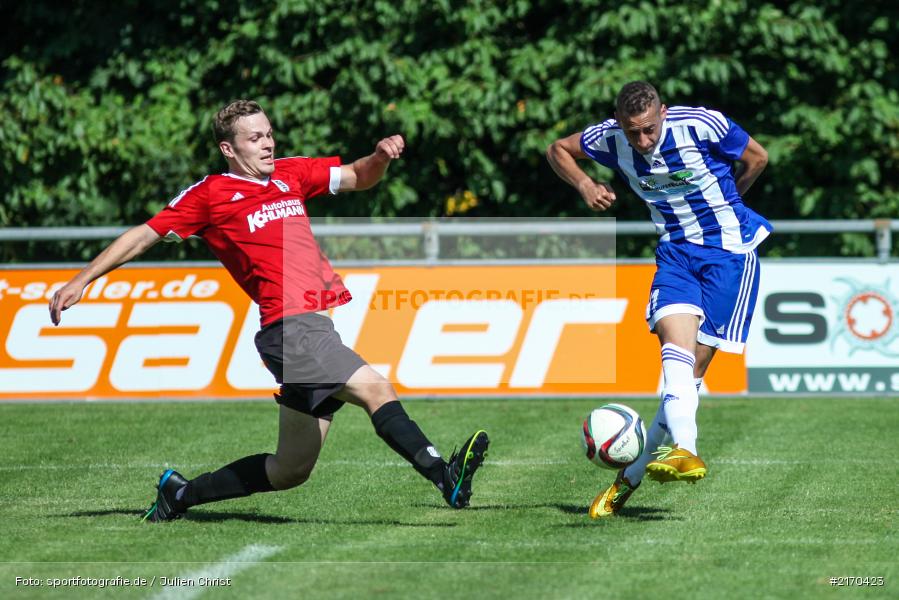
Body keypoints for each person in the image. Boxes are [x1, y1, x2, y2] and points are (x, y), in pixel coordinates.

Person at [49, 100, 489, 521]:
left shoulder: (290, 174)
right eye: (255, 137)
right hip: (291, 328)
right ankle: (442, 475)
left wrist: (380, 157)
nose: (267, 143)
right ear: (229, 148)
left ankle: (178, 494)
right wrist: (82, 279)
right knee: (376, 389)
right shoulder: (210, 194)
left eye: (270, 134)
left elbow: (358, 176)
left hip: (312, 329)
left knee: (290, 470)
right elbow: (144, 235)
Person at [546, 81, 770, 518]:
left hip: (731, 256)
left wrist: (730, 201)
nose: (643, 141)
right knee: (674, 355)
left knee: (691, 374)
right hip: (675, 254)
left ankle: (626, 481)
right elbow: (558, 148)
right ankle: (686, 449)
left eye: (649, 129)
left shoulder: (701, 125)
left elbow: (757, 156)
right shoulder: (610, 139)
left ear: (663, 113)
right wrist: (584, 184)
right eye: (634, 133)